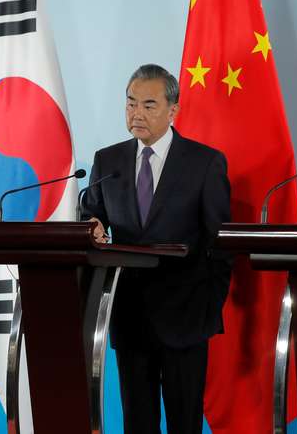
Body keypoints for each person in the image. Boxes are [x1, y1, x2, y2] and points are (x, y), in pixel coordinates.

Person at [81, 64, 231, 434]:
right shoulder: (108, 160)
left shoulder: (204, 162)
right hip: (130, 315)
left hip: (186, 315)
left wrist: (209, 306)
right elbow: (91, 219)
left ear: (173, 110)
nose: (137, 114)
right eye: (131, 103)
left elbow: (219, 242)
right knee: (138, 422)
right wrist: (93, 227)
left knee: (184, 422)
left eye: (149, 105)